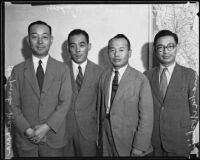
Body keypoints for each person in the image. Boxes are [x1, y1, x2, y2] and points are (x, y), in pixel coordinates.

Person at [5, 20, 72, 157]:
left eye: (45, 37)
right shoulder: (17, 70)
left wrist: (46, 127)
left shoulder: (63, 69)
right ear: (29, 40)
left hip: (55, 139)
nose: (40, 41)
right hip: (26, 141)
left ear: (51, 40)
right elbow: (11, 105)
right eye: (35, 37)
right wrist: (28, 131)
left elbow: (65, 102)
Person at [144, 29, 199, 157]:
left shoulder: (190, 75)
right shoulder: (146, 76)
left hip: (179, 144)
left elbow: (195, 111)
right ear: (155, 49)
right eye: (161, 47)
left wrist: (184, 133)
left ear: (176, 48)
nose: (166, 51)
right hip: (153, 144)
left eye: (170, 46)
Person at [97, 34, 154, 156]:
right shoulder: (104, 76)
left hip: (129, 140)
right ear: (108, 53)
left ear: (129, 53)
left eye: (121, 50)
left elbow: (147, 118)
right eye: (112, 50)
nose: (116, 54)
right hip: (106, 137)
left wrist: (139, 146)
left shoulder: (140, 79)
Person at [64, 29, 104, 156]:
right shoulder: (59, 70)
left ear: (89, 46)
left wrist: (100, 135)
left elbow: (103, 107)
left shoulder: (101, 72)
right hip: (64, 133)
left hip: (90, 134)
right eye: (73, 45)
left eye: (82, 45)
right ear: (67, 48)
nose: (77, 50)